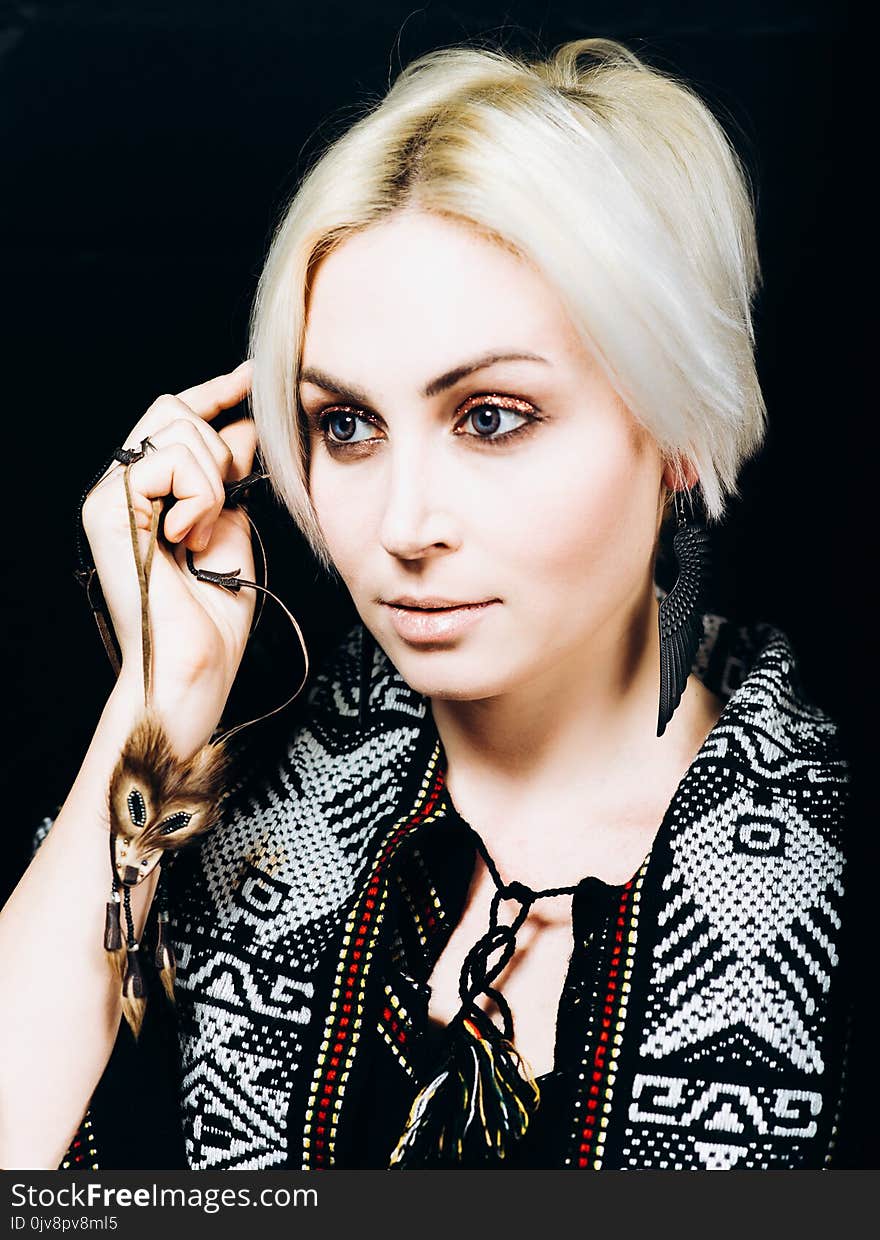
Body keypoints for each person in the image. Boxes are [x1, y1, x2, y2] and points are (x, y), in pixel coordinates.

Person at [0, 36, 851, 1171]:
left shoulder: (837, 865)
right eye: (345, 426)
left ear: (678, 434)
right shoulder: (192, 831)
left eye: (491, 415)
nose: (402, 525)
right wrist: (161, 698)